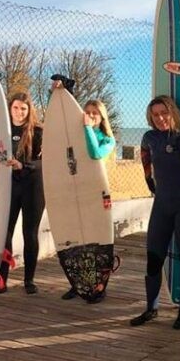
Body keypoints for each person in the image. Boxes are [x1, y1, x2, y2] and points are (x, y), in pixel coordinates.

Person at [130, 96, 180, 330]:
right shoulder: (148, 138)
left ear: (173, 113)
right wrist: (150, 184)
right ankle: (151, 309)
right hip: (161, 204)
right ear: (150, 117)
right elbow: (145, 160)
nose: (160, 118)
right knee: (153, 258)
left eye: (164, 113)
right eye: (155, 114)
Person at [0, 90, 45, 296]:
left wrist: (22, 165)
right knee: (4, 233)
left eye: (23, 109)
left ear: (29, 110)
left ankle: (29, 280)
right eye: (15, 108)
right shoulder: (3, 130)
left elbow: (43, 161)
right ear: (10, 109)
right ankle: (0, 280)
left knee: (29, 233)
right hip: (9, 188)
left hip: (33, 187)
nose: (19, 112)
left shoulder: (38, 131)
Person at [60, 95, 116, 301]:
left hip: (97, 195)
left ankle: (100, 285)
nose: (91, 116)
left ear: (102, 118)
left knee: (96, 240)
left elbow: (94, 154)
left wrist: (87, 129)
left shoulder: (108, 140)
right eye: (88, 112)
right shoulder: (74, 136)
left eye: (96, 114)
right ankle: (79, 283)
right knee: (77, 238)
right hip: (76, 193)